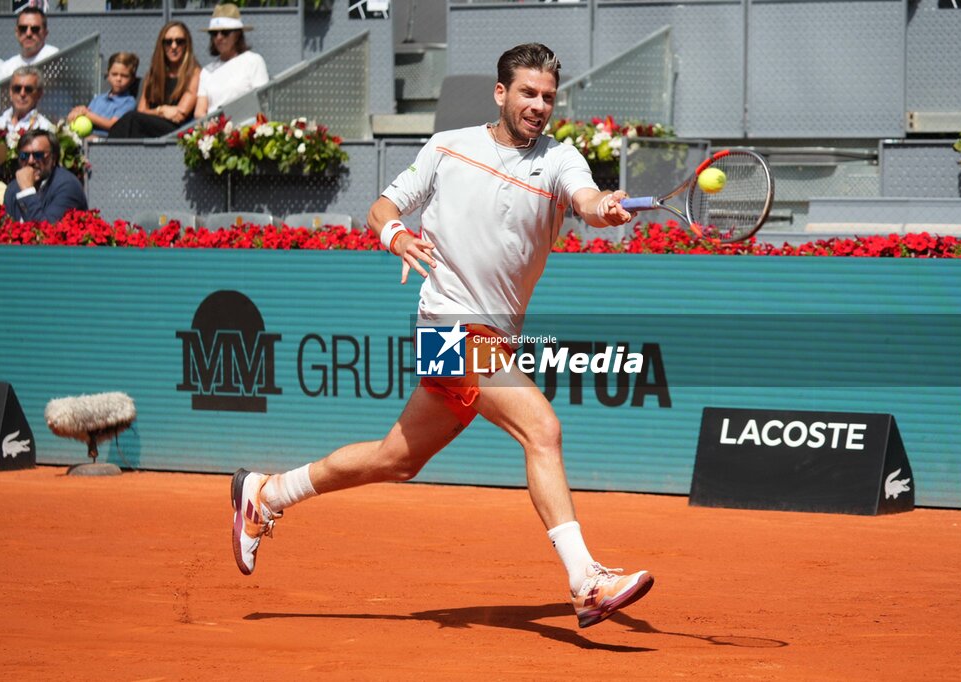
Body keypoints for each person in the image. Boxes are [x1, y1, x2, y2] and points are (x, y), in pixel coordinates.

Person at [230, 43, 654, 630]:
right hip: (447, 326)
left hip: (495, 335)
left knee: (394, 460)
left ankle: (267, 493)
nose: (538, 106)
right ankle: (585, 580)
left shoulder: (560, 158)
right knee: (542, 428)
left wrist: (604, 207)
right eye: (527, 93)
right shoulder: (448, 146)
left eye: (548, 97)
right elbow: (382, 208)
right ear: (501, 93)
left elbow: (585, 200)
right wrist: (397, 236)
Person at [108, 23, 200, 139]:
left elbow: (179, 114)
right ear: (161, 45)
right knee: (131, 119)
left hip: (177, 130)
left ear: (187, 44)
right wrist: (161, 111)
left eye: (179, 41)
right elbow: (141, 110)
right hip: (151, 125)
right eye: (168, 42)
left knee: (132, 120)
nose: (174, 46)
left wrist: (154, 112)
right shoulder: (153, 74)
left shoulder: (194, 73)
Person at [193, 4, 268, 119]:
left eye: (225, 32)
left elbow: (263, 104)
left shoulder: (253, 61)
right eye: (214, 33)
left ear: (237, 34)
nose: (219, 37)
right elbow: (199, 111)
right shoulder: (206, 71)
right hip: (215, 133)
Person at [3, 129, 87, 223]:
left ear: (53, 158)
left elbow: (45, 232)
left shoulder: (67, 186)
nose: (30, 161)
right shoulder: (13, 188)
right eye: (24, 156)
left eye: (38, 155)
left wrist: (27, 191)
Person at [67, 52, 140, 138]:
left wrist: (86, 113)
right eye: (114, 74)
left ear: (132, 79)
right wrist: (76, 113)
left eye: (124, 76)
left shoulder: (128, 102)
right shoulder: (98, 99)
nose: (118, 79)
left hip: (105, 143)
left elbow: (113, 125)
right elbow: (87, 116)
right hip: (84, 138)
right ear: (108, 75)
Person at [0, 8, 58, 81]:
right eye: (23, 28)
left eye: (35, 29)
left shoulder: (55, 58)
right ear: (16, 32)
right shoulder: (7, 68)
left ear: (45, 33)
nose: (28, 33)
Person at [0, 67, 54, 134]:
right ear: (10, 91)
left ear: (39, 94)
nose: (22, 93)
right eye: (17, 88)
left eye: (28, 89)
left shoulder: (46, 129)